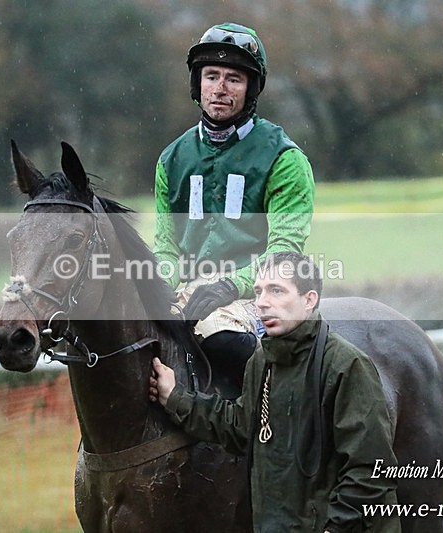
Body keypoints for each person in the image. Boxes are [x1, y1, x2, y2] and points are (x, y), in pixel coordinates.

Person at [149, 251, 400, 532]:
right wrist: (175, 397)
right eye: (258, 292)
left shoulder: (346, 365)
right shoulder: (262, 361)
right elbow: (240, 427)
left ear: (309, 300)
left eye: (276, 291)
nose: (263, 303)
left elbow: (370, 472)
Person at [153, 22, 315, 379]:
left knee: (221, 341)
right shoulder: (171, 159)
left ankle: (273, 429)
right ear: (197, 84)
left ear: (251, 89)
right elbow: (166, 248)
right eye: (211, 76)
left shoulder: (285, 159)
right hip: (190, 294)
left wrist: (230, 284)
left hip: (256, 295)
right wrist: (157, 286)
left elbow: (284, 253)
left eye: (234, 79)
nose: (220, 89)